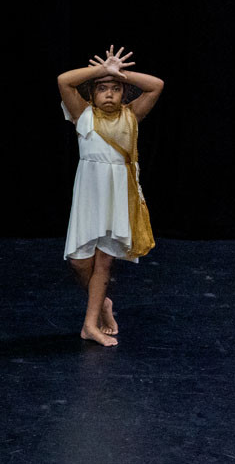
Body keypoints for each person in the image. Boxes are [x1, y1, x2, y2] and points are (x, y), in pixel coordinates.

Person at [57, 45, 164, 346]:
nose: (108, 93)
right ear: (92, 94)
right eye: (102, 88)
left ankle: (89, 325)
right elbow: (64, 80)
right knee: (80, 262)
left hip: (117, 195)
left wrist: (121, 73)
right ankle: (101, 301)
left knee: (104, 261)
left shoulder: (131, 115)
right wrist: (102, 70)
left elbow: (156, 86)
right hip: (89, 195)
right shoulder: (83, 114)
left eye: (115, 89)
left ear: (123, 93)